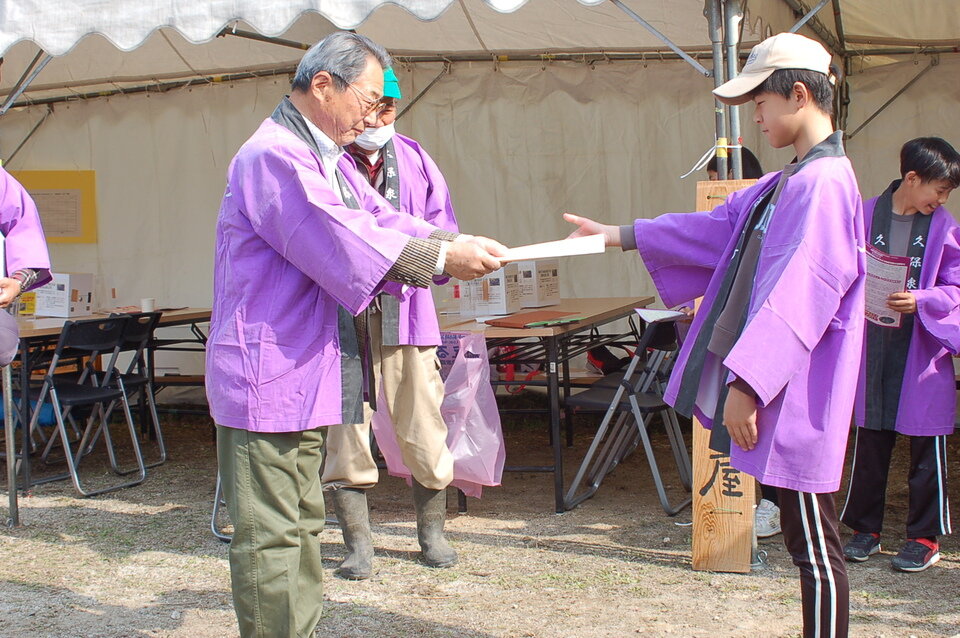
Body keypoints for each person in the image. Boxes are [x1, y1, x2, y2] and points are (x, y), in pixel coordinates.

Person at [206, 32, 506, 638]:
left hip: (301, 369)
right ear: (323, 86)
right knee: (273, 536)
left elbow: (377, 215)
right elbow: (341, 236)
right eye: (368, 101)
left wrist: (451, 240)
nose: (372, 118)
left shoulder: (323, 155)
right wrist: (439, 258)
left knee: (300, 524)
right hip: (268, 375)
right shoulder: (274, 155)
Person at [565, 32, 864, 638]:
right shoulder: (792, 180)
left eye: (760, 101)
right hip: (785, 381)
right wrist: (619, 235)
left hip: (796, 386)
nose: (755, 115)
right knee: (808, 540)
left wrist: (747, 384)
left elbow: (801, 295)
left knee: (814, 544)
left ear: (798, 94)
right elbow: (716, 229)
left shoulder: (823, 184)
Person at [322, 68, 461, 578]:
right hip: (341, 319)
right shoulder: (323, 159)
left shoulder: (417, 159)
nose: (378, 118)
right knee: (346, 432)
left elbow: (443, 230)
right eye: (371, 105)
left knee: (424, 423)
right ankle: (358, 545)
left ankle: (433, 534)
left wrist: (448, 257)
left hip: (408, 315)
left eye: (388, 107)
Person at [840, 137, 960, 572]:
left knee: (927, 443)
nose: (941, 200)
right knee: (870, 439)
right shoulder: (864, 214)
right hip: (872, 344)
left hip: (921, 351)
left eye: (946, 194)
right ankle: (864, 530)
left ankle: (924, 537)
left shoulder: (945, 227)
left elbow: (956, 287)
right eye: (939, 190)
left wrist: (923, 299)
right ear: (912, 178)